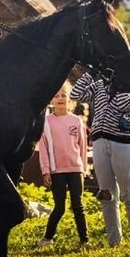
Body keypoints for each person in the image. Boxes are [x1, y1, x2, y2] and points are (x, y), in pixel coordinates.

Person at [70, 71, 130, 246]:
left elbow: (123, 104)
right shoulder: (100, 85)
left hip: (124, 143)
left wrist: (121, 84)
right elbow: (76, 94)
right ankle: (114, 241)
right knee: (106, 195)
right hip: (99, 142)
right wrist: (92, 74)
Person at [37, 83, 89, 248]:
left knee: (78, 205)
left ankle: (85, 240)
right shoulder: (46, 123)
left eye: (63, 95)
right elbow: (43, 149)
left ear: (70, 99)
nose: (60, 99)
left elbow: (82, 147)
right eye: (57, 95)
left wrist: (84, 169)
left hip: (76, 170)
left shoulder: (78, 122)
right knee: (60, 207)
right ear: (51, 99)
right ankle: (47, 238)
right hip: (56, 170)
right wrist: (46, 171)